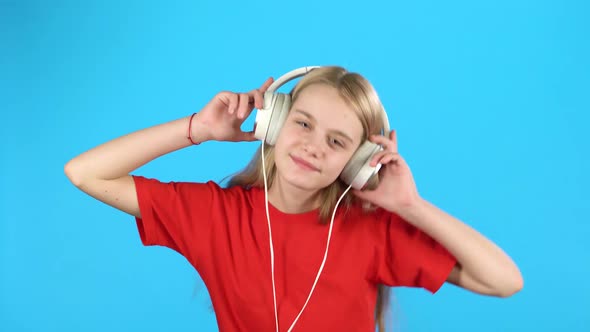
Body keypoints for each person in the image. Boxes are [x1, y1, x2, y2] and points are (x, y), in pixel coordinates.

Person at [64, 66, 523, 332]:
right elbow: (85, 173)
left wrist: (410, 207)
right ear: (273, 123)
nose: (314, 147)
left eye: (338, 141)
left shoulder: (370, 232)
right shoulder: (217, 217)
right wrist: (197, 131)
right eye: (302, 123)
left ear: (359, 161)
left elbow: (504, 280)